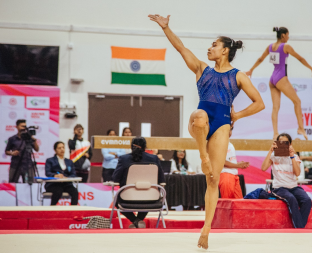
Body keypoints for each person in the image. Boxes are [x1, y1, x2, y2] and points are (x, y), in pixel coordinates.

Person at [149, 14, 264, 249]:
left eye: (214, 45)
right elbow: (181, 48)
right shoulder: (202, 69)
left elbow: (259, 103)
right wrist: (166, 28)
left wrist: (236, 116)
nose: (210, 48)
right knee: (200, 117)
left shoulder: (238, 75)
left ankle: (206, 229)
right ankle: (202, 155)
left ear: (225, 51)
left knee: (213, 179)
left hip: (222, 122)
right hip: (200, 120)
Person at [245, 27, 312, 140]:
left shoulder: (270, 47)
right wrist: (311, 68)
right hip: (281, 78)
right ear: (283, 35)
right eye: (287, 35)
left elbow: (260, 59)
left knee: (275, 108)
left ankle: (275, 133)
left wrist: (251, 69)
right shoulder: (286, 46)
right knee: (297, 101)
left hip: (272, 79)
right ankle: (301, 128)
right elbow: (300, 58)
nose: (288, 37)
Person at [261, 133, 312, 228]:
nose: (283, 144)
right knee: (291, 198)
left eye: (285, 142)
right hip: (279, 188)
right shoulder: (274, 156)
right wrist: (270, 150)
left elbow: (297, 173)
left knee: (307, 200)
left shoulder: (295, 156)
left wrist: (292, 156)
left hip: (293, 187)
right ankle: (300, 228)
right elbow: (263, 168)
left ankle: (300, 226)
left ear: (290, 144)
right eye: (280, 142)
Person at [112, 137, 165, 229]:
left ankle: (136, 221)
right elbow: (162, 180)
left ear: (131, 147)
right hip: (151, 199)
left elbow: (115, 179)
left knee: (116, 201)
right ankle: (138, 220)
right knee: (147, 197)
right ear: (145, 147)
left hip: (127, 198)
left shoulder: (123, 159)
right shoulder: (154, 158)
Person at [45, 141, 78, 205]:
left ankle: (73, 212)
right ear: (55, 150)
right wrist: (55, 175)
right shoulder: (50, 160)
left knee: (74, 192)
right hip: (54, 184)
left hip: (66, 184)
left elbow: (73, 174)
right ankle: (52, 210)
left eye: (63, 147)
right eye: (59, 148)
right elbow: (47, 173)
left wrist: (67, 178)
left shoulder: (69, 162)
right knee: (58, 191)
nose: (62, 149)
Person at [219, 125, 248, 198]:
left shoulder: (230, 144)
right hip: (225, 175)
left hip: (234, 175)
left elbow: (228, 161)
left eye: (231, 129)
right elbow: (221, 162)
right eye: (228, 130)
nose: (230, 132)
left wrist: (239, 164)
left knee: (239, 204)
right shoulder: (218, 143)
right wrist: (238, 165)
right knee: (227, 203)